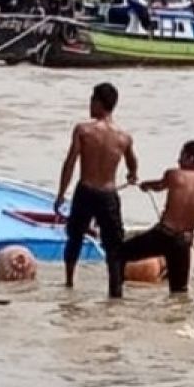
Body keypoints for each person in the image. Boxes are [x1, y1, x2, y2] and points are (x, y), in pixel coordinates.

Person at [54, 82, 138, 295]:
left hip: (86, 191)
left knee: (75, 238)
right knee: (113, 246)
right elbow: (132, 161)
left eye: (92, 100)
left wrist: (61, 194)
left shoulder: (83, 130)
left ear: (99, 103)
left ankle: (69, 282)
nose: (89, 104)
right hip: (108, 195)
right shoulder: (124, 137)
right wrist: (132, 175)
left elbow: (70, 162)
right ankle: (115, 291)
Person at [111, 140, 194, 297]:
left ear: (190, 158)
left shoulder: (175, 175)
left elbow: (160, 185)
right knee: (179, 290)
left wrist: (145, 185)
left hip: (163, 235)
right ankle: (180, 319)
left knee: (117, 255)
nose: (178, 160)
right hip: (184, 240)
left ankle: (115, 299)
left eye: (181, 155)